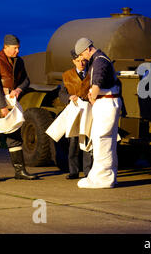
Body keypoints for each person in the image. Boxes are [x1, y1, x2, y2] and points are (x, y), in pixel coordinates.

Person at [0, 34, 38, 181]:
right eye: (15, 48)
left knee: (14, 135)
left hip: (10, 102)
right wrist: (2, 107)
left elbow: (26, 80)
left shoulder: (19, 62)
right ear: (5, 47)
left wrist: (19, 89)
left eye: (18, 48)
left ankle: (20, 171)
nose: (18, 51)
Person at [74, 37, 121, 189]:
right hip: (107, 102)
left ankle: (104, 179)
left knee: (103, 140)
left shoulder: (99, 61)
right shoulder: (100, 59)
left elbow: (97, 82)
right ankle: (100, 176)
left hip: (106, 102)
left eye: (82, 54)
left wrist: (92, 96)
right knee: (103, 140)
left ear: (88, 49)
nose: (82, 58)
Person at [58, 49, 93, 179]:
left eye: (83, 60)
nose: (81, 63)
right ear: (73, 61)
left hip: (88, 109)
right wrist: (68, 97)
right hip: (75, 109)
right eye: (78, 61)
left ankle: (88, 171)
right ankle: (73, 170)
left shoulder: (91, 73)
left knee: (87, 140)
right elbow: (61, 93)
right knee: (73, 141)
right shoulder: (67, 75)